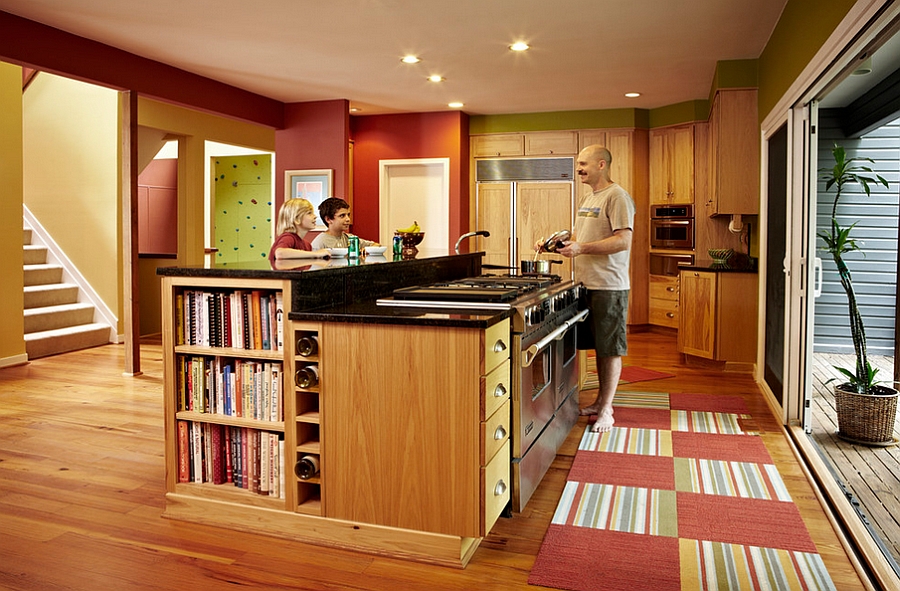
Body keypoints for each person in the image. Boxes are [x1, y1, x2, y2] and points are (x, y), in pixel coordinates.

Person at [554, 144, 635, 433]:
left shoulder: (617, 196)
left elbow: (623, 241)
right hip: (585, 284)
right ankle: (601, 401)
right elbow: (581, 236)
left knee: (610, 349)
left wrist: (582, 247)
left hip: (609, 286)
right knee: (597, 348)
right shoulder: (589, 198)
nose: (579, 169)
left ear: (602, 165)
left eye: (584, 163)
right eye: (578, 164)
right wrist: (561, 243)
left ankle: (607, 410)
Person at [268, 198, 330, 266]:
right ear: (296, 219)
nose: (315, 216)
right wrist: (316, 254)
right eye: (309, 213)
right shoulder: (288, 238)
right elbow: (280, 254)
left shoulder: (307, 245)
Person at [310, 197, 379, 250]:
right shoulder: (319, 243)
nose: (348, 219)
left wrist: (367, 250)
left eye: (348, 215)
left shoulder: (349, 238)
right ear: (328, 219)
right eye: (342, 216)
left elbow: (376, 245)